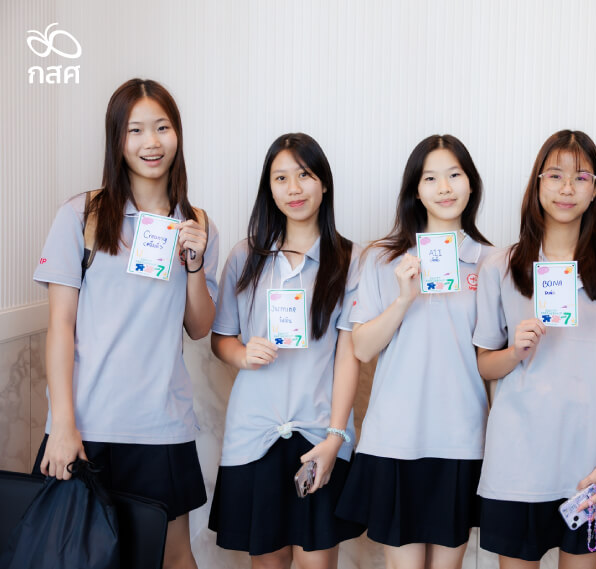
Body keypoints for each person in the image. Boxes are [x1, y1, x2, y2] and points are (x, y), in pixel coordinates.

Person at [33, 78, 218, 569]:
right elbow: (60, 326)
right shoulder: (81, 215)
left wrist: (195, 263)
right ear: (117, 139)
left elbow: (199, 326)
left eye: (162, 127)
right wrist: (63, 425)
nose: (150, 142)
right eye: (135, 130)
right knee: (73, 556)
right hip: (86, 424)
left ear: (177, 134)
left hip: (162, 425)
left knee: (173, 558)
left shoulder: (196, 222)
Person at [474, 130, 596, 569]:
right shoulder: (500, 266)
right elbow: (486, 365)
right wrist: (516, 350)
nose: (567, 188)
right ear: (537, 183)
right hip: (517, 462)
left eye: (581, 177)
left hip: (588, 466)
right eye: (555, 175)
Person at [335, 134, 492, 569]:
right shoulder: (382, 259)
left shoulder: (492, 262)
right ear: (415, 191)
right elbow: (362, 348)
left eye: (454, 175)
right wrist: (403, 299)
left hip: (462, 439)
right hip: (395, 438)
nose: (444, 188)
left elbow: (494, 357)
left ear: (471, 184)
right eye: (431, 178)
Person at [207, 133, 363, 569]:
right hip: (254, 436)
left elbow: (348, 356)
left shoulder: (350, 259)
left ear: (324, 183)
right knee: (268, 561)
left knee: (317, 561)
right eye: (281, 178)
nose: (293, 188)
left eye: (304, 175)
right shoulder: (245, 257)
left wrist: (335, 438)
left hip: (318, 435)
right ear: (269, 188)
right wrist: (241, 354)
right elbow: (221, 339)